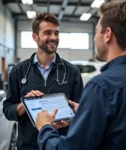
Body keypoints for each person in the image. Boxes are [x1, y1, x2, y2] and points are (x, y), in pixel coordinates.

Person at [35, 1, 126, 150]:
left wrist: (45, 128)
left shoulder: (101, 87)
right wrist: (88, 111)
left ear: (107, 34)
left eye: (96, 31)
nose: (95, 38)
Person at [3, 12, 83, 150]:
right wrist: (23, 106)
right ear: (35, 37)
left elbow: (82, 110)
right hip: (28, 146)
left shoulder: (72, 72)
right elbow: (7, 109)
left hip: (61, 145)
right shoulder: (18, 71)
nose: (53, 38)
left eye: (56, 33)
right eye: (47, 33)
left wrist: (70, 121)